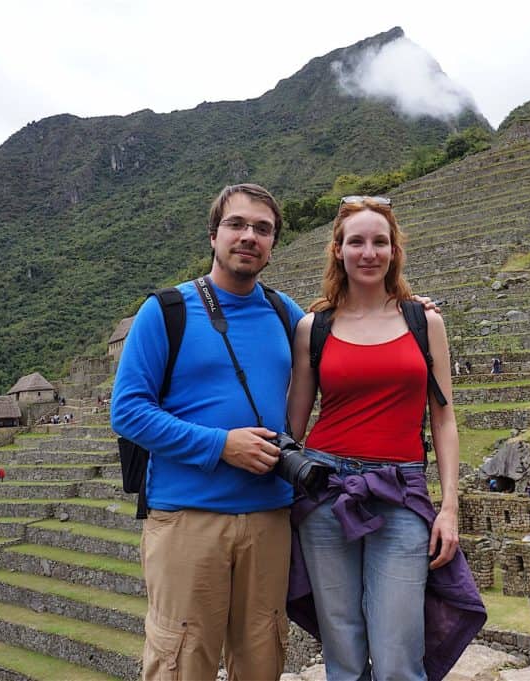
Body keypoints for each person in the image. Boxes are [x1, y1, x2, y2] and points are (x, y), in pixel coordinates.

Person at [111, 184, 306, 680]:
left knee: (263, 656)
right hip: (187, 520)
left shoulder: (286, 314)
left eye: (262, 229)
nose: (249, 236)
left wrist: (412, 308)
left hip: (268, 520)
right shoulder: (167, 311)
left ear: (274, 243)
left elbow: (352, 336)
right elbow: (128, 411)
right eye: (237, 225)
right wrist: (222, 446)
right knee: (182, 659)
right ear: (213, 236)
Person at [286, 196, 484, 681]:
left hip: (401, 491)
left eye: (380, 242)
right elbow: (293, 425)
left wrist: (450, 507)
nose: (368, 252)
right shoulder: (315, 328)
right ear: (338, 250)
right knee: (344, 650)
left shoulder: (424, 322)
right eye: (357, 242)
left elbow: (444, 419)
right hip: (327, 492)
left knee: (399, 654)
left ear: (395, 251)